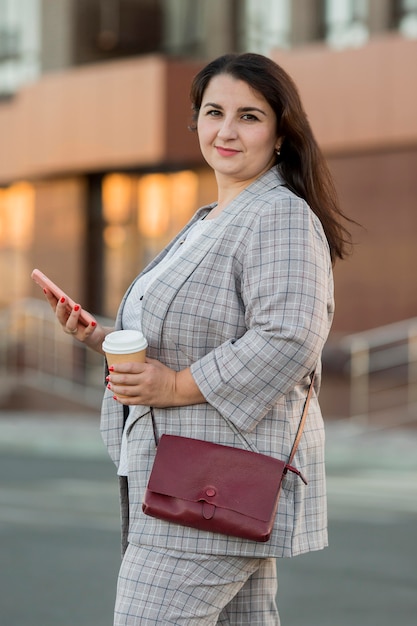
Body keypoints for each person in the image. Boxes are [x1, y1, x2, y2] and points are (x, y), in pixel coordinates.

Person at [46, 52, 352, 625]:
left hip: (210, 485)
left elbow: (288, 337)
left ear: (281, 134)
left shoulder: (278, 215)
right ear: (197, 121)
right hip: (196, 482)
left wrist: (176, 385)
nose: (227, 130)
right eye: (214, 112)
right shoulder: (212, 217)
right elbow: (196, 331)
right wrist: (103, 339)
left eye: (250, 116)